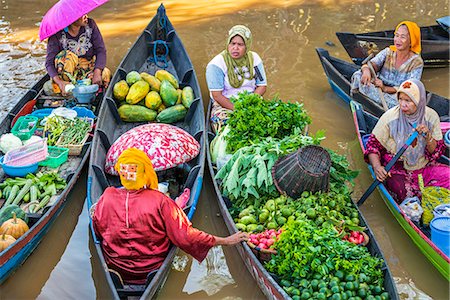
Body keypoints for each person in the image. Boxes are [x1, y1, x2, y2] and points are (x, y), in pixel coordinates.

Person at [92, 148, 248, 284]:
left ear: (121, 173)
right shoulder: (160, 201)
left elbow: (98, 231)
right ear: (146, 173)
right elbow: (186, 237)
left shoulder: (107, 197)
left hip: (116, 268)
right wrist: (225, 241)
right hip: (152, 268)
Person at [364, 79, 450, 203]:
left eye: (408, 101)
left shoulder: (431, 117)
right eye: (400, 99)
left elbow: (436, 152)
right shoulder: (390, 118)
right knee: (406, 196)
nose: (403, 104)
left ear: (419, 101)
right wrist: (377, 167)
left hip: (424, 168)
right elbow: (373, 146)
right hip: (396, 168)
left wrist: (428, 136)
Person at [206, 25, 267, 132]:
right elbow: (217, 95)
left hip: (250, 101)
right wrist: (237, 110)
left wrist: (249, 103)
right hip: (224, 104)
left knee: (266, 124)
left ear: (247, 46)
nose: (235, 48)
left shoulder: (254, 59)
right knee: (230, 130)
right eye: (232, 43)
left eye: (240, 44)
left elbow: (262, 86)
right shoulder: (216, 65)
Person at [351, 21, 424, 109]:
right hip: (377, 87)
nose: (398, 40)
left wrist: (385, 88)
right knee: (358, 75)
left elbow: (410, 88)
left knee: (404, 102)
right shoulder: (388, 52)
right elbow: (372, 65)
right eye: (396, 35)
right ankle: (366, 100)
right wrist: (366, 71)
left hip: (397, 95)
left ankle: (369, 101)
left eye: (403, 37)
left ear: (411, 41)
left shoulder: (417, 62)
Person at [45, 14, 111, 94]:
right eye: (82, 14)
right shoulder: (56, 34)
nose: (86, 16)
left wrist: (97, 73)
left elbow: (101, 50)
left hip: (87, 69)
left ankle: (84, 85)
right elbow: (49, 63)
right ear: (71, 18)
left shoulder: (90, 25)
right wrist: (59, 82)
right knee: (67, 55)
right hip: (67, 75)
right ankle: (70, 87)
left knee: (105, 74)